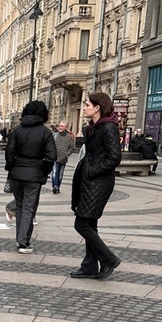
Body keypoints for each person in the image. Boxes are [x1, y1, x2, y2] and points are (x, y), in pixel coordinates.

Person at [70, 92, 122, 280]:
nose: (84, 107)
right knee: (90, 223)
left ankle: (108, 259)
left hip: (99, 182)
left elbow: (114, 157)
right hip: (90, 181)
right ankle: (89, 266)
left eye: (87, 105)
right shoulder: (94, 127)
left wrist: (92, 171)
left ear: (97, 107)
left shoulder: (108, 127)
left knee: (81, 223)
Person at [5, 101, 56, 254]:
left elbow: (9, 153)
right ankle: (23, 242)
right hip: (34, 175)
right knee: (29, 209)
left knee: (20, 207)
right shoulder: (45, 132)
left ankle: (20, 239)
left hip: (17, 175)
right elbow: (51, 156)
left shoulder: (16, 131)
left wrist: (12, 168)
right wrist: (43, 171)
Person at [51, 120, 75, 194]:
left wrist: (67, 154)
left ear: (66, 127)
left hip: (63, 158)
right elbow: (50, 145)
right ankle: (55, 186)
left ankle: (58, 186)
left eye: (62, 126)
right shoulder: (54, 135)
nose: (60, 127)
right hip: (55, 157)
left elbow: (71, 147)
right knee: (54, 172)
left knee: (60, 174)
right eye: (59, 126)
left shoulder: (69, 137)